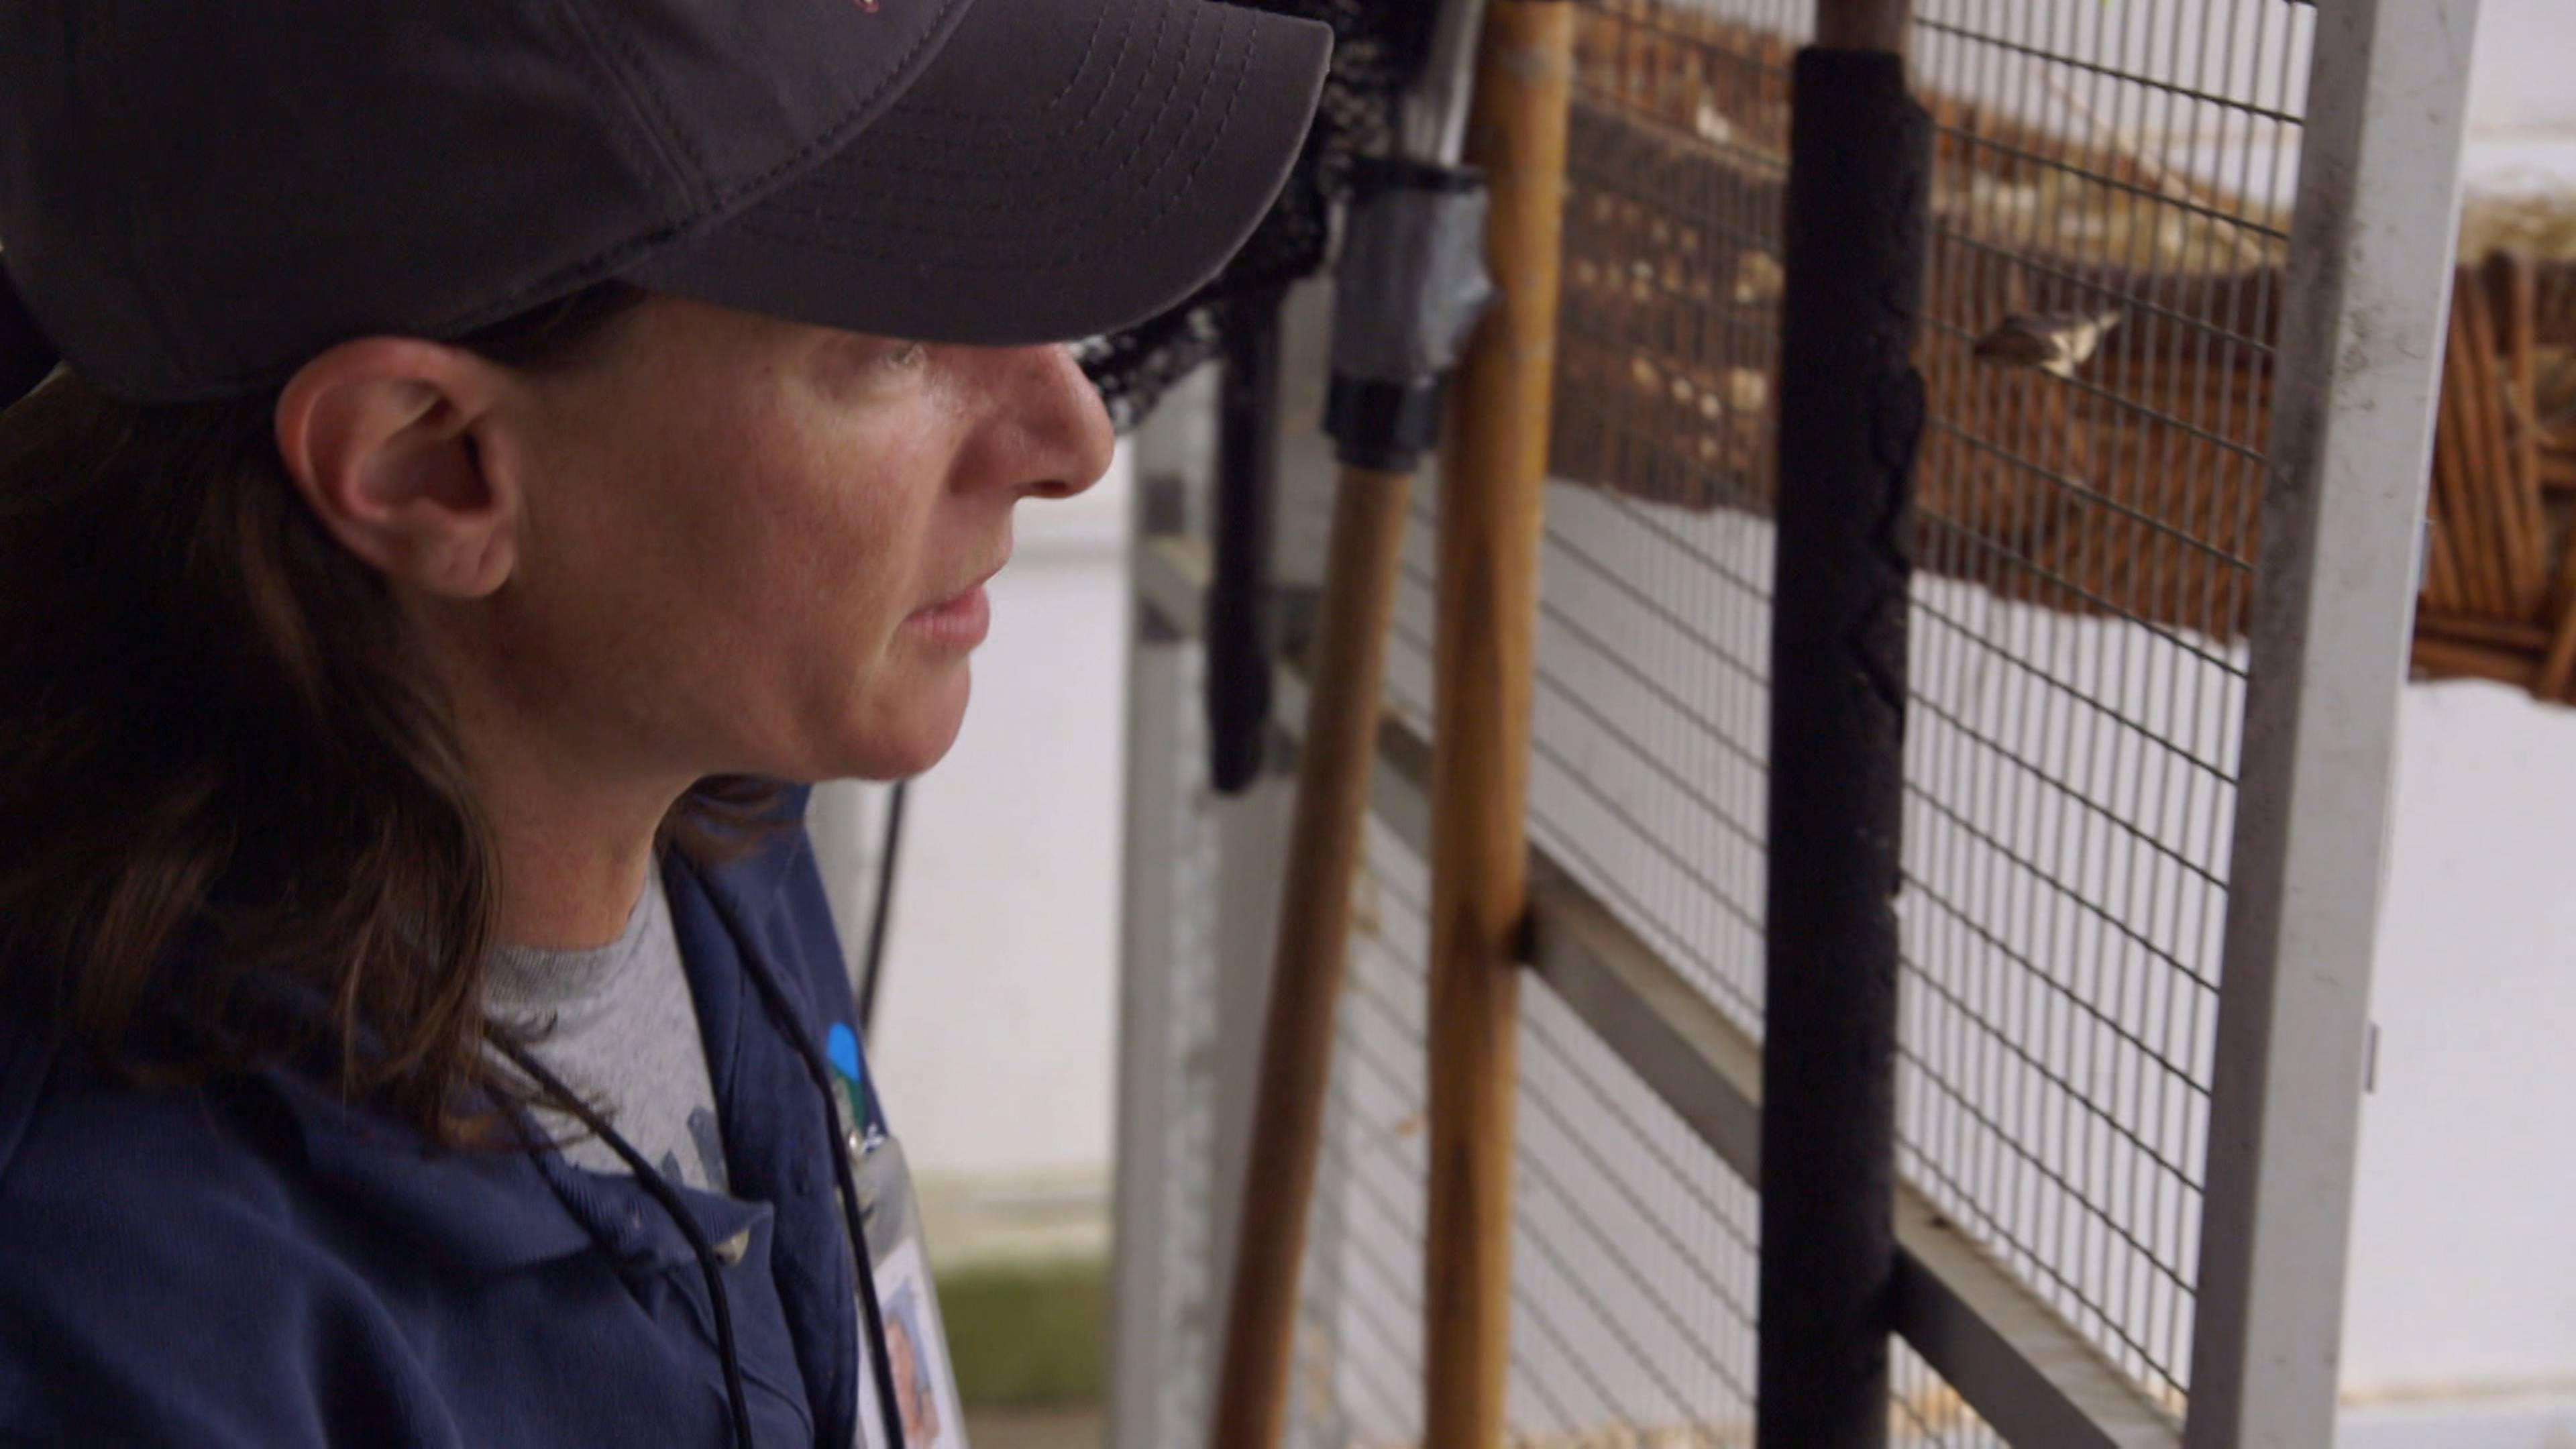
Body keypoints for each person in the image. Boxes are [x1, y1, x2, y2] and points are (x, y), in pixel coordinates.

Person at [0, 1, 1328, 1445]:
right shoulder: (121, 1332)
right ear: (429, 463)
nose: (1073, 440)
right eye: (888, 340)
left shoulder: (708, 798)